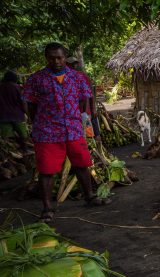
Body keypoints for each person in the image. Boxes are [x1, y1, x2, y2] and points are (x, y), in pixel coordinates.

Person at [23, 42, 111, 223]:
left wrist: (83, 119)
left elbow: (84, 100)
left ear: (65, 57)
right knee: (46, 171)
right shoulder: (37, 79)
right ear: (47, 58)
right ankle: (48, 208)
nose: (56, 61)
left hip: (73, 130)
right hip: (47, 132)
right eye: (52, 57)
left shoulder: (78, 78)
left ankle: (90, 197)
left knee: (82, 164)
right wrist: (37, 121)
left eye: (59, 57)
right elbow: (30, 103)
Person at [66, 57, 101, 142]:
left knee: (89, 133)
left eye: (76, 63)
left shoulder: (82, 77)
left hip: (83, 111)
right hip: (70, 113)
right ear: (66, 64)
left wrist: (91, 109)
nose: (74, 65)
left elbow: (88, 96)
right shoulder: (63, 78)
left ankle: (93, 149)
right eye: (72, 63)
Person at [0, 71, 30, 155]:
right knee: (23, 134)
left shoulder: (0, 87)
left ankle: (7, 152)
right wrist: (28, 115)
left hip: (3, 115)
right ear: (15, 79)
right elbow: (24, 103)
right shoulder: (18, 88)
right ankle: (26, 150)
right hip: (17, 115)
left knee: (5, 135)